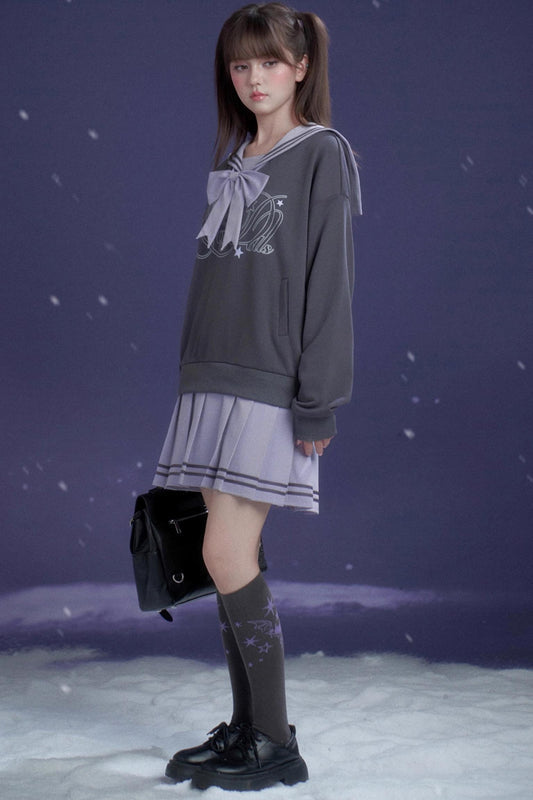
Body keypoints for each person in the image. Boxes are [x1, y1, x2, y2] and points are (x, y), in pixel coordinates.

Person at [153, 2, 361, 792]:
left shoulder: (320, 154)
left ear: (300, 67)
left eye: (269, 62)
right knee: (222, 556)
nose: (253, 77)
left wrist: (317, 399)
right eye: (240, 65)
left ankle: (273, 739)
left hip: (267, 383)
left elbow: (327, 284)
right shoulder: (239, 158)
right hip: (212, 379)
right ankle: (249, 729)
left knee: (225, 554)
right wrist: (191, 373)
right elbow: (216, 286)